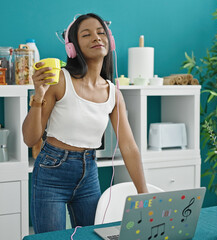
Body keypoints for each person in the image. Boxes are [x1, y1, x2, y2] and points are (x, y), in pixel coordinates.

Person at [22, 13, 148, 234]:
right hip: (51, 172)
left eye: (101, 33)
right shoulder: (60, 80)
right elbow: (30, 139)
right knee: (52, 239)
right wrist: (38, 95)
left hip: (89, 173)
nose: (96, 38)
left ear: (110, 42)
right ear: (72, 48)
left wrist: (143, 192)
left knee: (91, 237)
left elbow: (128, 146)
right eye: (86, 34)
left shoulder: (113, 94)